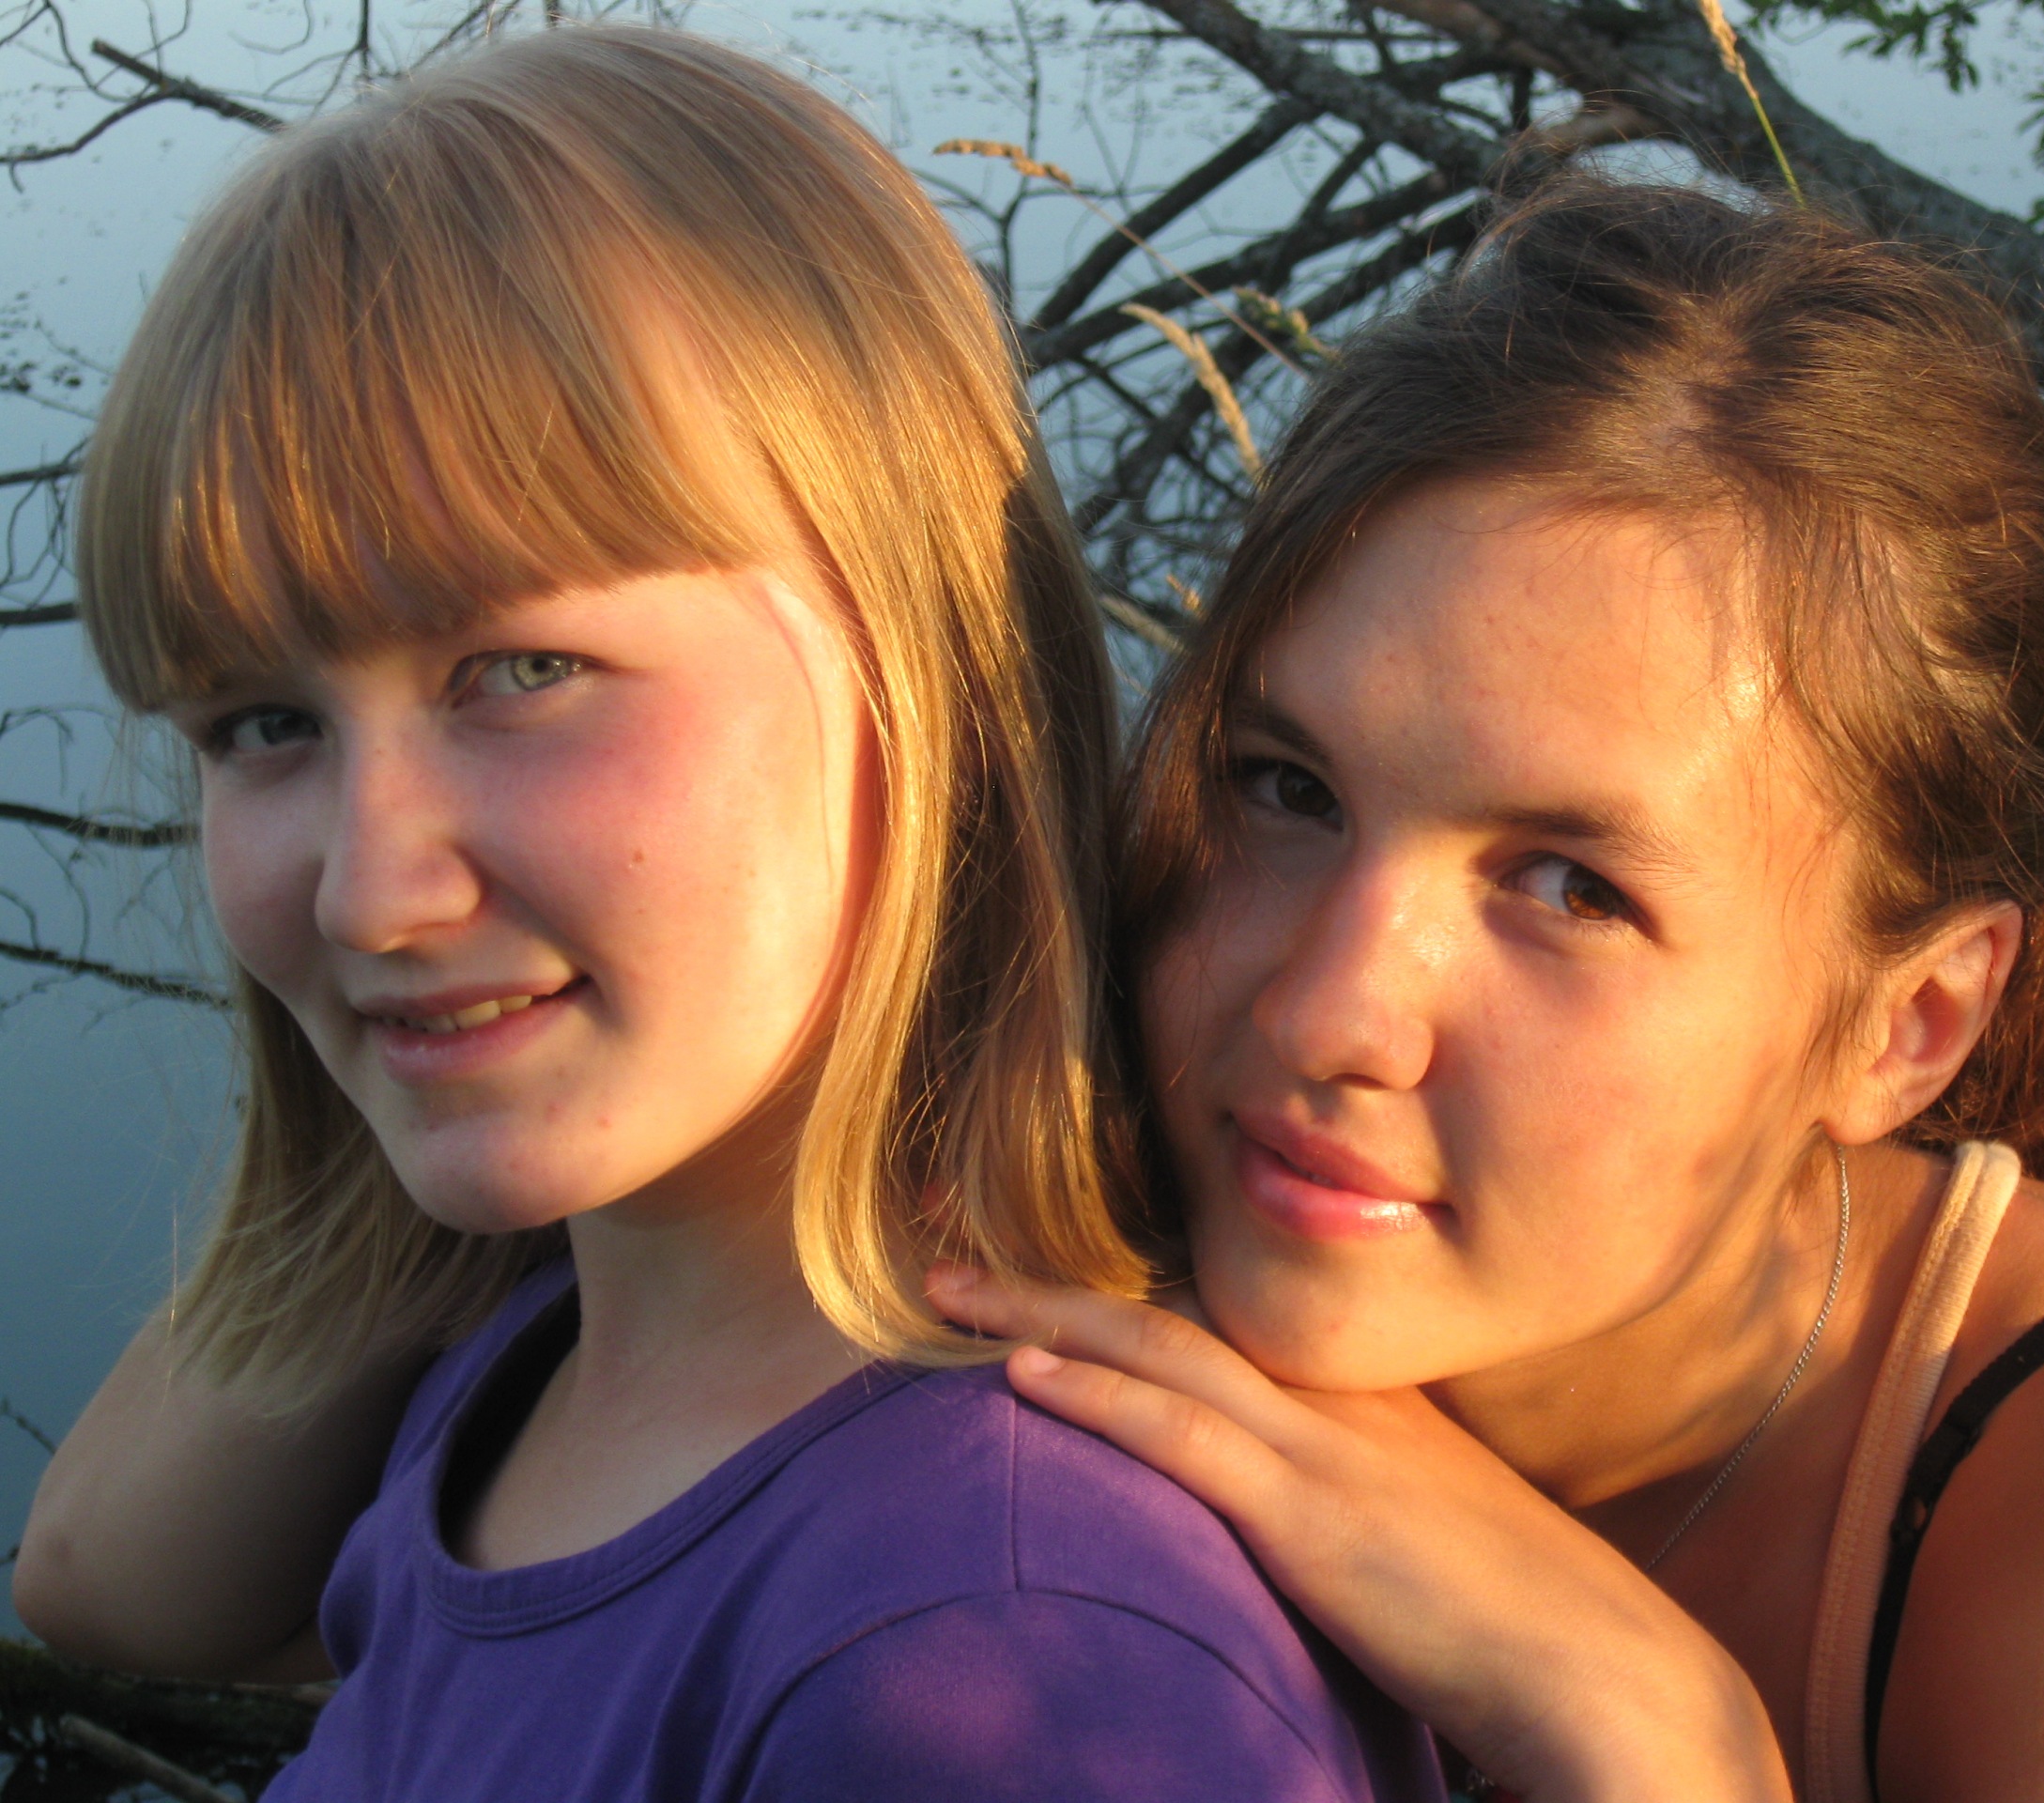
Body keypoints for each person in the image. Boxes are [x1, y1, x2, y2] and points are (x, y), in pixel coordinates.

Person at [12, 26, 1439, 1803]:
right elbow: (99, 1588)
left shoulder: (1010, 1657)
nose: (372, 892)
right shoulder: (540, 1362)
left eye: (524, 670)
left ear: (927, 669)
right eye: (261, 725)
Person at [928, 179, 2044, 1802]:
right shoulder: (1015, 1196)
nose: (1328, 1013)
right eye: (1287, 788)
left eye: (1571, 889)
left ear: (1907, 1028)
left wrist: (1665, 1742)